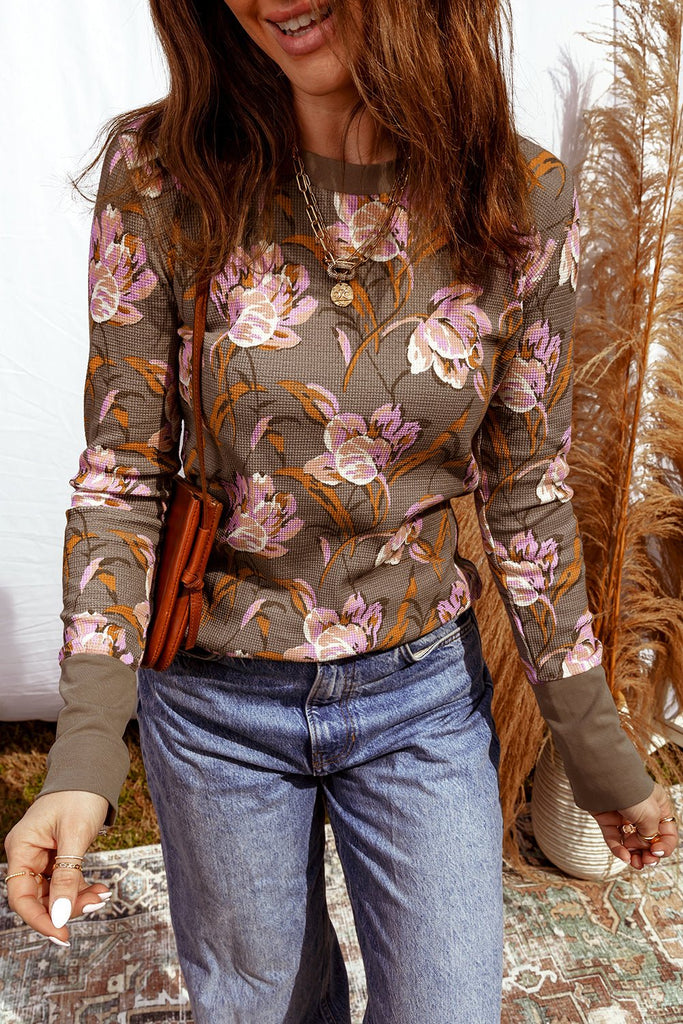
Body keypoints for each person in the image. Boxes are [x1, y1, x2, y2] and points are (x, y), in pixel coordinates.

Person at [4, 1, 679, 1021]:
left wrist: (592, 743)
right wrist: (87, 751)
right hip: (216, 703)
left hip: (421, 697)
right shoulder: (162, 174)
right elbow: (122, 474)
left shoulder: (517, 198)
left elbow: (526, 488)